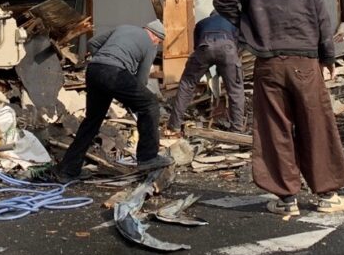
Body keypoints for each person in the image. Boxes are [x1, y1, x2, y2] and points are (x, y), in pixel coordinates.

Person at [214, 0, 344, 217]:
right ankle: (327, 195)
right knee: (316, 124)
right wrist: (328, 56)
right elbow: (321, 15)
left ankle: (286, 198)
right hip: (305, 61)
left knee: (274, 129)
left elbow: (222, 0)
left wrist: (245, 25)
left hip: (269, 62)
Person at [52, 20, 174, 181]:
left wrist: (104, 61)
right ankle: (148, 157)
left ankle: (68, 170)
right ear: (155, 37)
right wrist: (131, 95)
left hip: (94, 70)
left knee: (92, 121)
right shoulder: (150, 44)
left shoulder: (123, 27)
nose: (158, 44)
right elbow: (142, 79)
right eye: (159, 42)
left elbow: (92, 43)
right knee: (150, 104)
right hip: (115, 72)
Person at [166, 11, 244, 133]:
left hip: (204, 46)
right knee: (235, 89)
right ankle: (237, 129)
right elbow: (238, 46)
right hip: (228, 48)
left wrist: (206, 66)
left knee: (187, 84)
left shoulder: (201, 23)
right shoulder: (233, 22)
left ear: (211, 16)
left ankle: (174, 125)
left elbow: (196, 47)